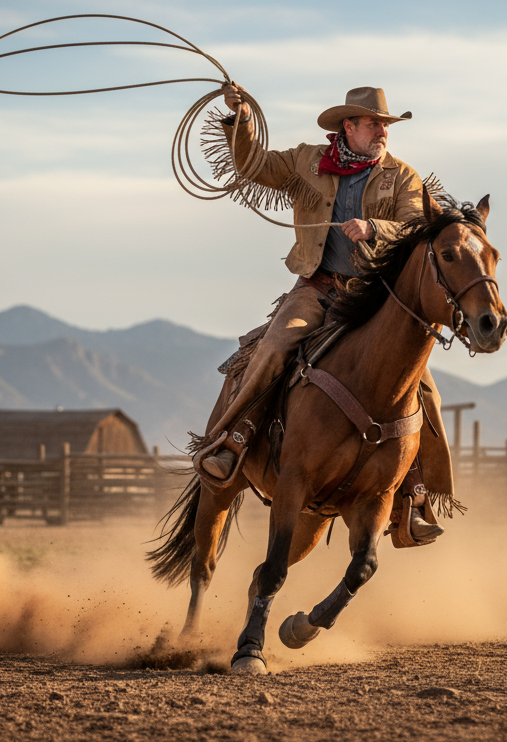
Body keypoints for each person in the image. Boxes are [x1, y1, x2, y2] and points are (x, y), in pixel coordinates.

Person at [194, 84, 457, 543]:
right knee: (275, 347)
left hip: (375, 301)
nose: (382, 132)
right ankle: (233, 442)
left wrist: (375, 227)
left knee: (424, 392)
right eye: (374, 123)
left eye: (386, 125)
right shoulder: (305, 161)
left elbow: (415, 226)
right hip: (318, 289)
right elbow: (252, 165)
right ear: (348, 127)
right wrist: (239, 119)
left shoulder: (402, 177)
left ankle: (414, 498)